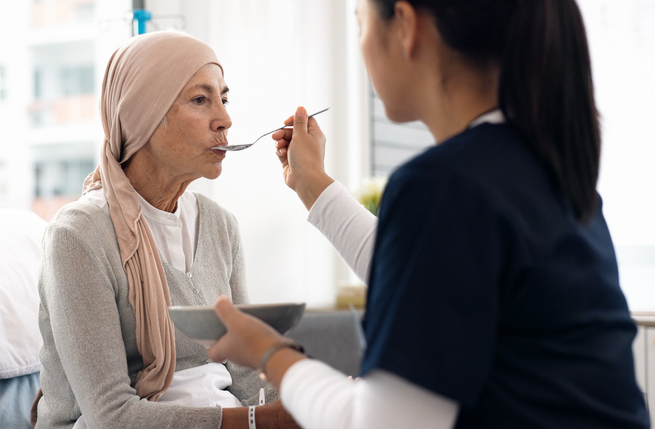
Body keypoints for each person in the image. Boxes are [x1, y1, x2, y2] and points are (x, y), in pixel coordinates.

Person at [207, 0, 651, 428]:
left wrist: (270, 353)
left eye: (360, 23)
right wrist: (313, 186)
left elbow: (381, 423)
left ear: (406, 24)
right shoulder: (538, 169)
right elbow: (430, 274)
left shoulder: (446, 185)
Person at [33, 31, 298, 429]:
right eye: (200, 99)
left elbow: (247, 377)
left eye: (223, 99)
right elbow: (111, 417)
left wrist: (311, 402)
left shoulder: (221, 226)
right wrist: (262, 422)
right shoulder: (78, 236)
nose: (225, 120)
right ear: (144, 115)